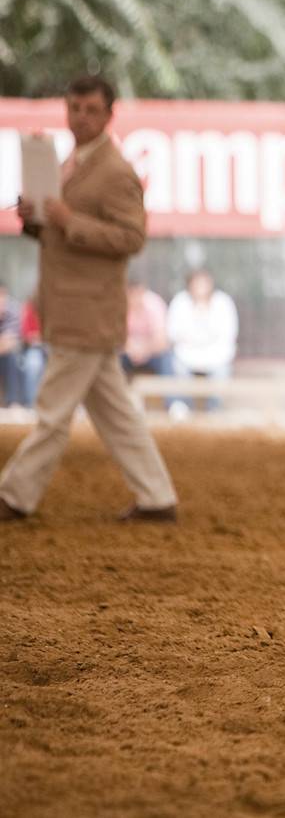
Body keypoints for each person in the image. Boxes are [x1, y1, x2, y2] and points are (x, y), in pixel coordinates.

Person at [0, 75, 178, 523]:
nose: (80, 117)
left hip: (87, 311)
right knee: (116, 415)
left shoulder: (116, 171)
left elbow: (131, 237)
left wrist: (65, 217)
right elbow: (63, 228)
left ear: (107, 114)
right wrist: (38, 219)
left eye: (90, 109)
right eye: (74, 107)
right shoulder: (71, 163)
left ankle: (14, 496)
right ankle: (157, 498)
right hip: (73, 308)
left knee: (53, 412)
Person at [166, 267, 238, 413]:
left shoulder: (223, 302)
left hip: (217, 354)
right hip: (186, 354)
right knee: (176, 367)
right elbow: (173, 332)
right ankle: (184, 406)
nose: (200, 288)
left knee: (221, 371)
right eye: (196, 283)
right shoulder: (180, 301)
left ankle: (214, 408)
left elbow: (228, 333)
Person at [122, 279, 174, 378]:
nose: (135, 298)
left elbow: (162, 340)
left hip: (152, 352)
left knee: (166, 359)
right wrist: (130, 348)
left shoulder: (154, 303)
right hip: (128, 352)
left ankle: (170, 393)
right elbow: (116, 337)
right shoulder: (121, 305)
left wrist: (144, 350)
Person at [0, 284, 24, 407]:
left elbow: (10, 342)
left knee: (11, 358)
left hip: (6, 356)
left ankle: (13, 402)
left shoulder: (13, 310)